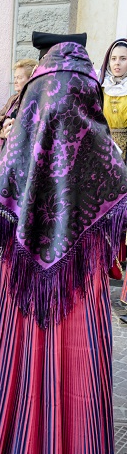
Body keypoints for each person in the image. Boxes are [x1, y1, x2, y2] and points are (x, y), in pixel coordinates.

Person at [0, 32, 127, 454]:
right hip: (82, 273)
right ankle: (76, 447)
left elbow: (1, 191)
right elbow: (119, 190)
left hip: (26, 267)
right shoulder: (98, 132)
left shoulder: (30, 113)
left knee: (28, 343)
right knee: (78, 344)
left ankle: (23, 438)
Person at [99, 39, 127, 284]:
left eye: (123, 59)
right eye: (114, 59)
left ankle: (122, 260)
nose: (117, 64)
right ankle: (105, 264)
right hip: (104, 155)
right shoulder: (100, 87)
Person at [0, 58, 37, 153]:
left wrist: (11, 131)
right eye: (15, 77)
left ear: (31, 79)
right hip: (2, 153)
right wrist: (5, 121)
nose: (15, 81)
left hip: (17, 154)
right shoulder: (13, 98)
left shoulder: (34, 101)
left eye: (20, 78)